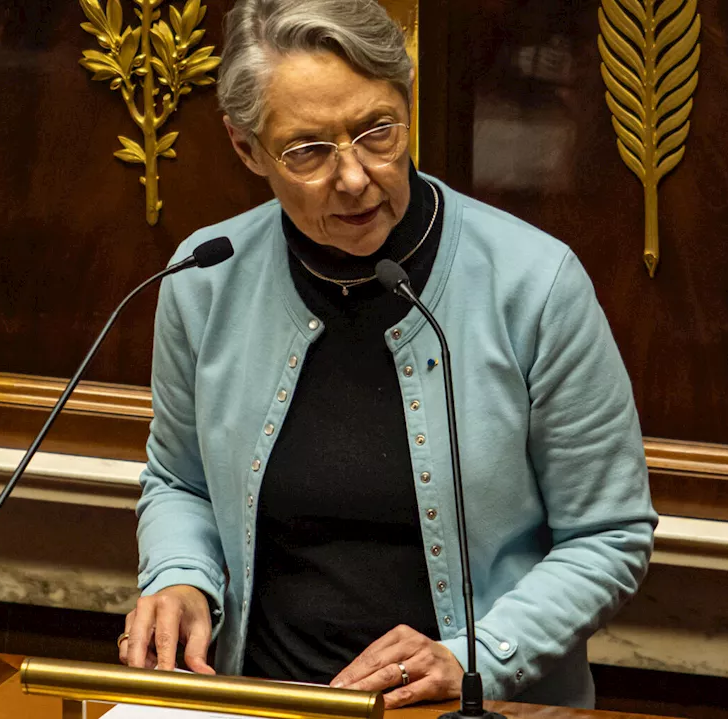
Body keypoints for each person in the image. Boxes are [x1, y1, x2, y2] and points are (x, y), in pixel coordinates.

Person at [119, 0, 657, 709]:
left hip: (469, 703)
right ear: (247, 149)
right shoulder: (205, 276)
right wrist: (181, 573)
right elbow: (180, 480)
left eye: (377, 131)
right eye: (308, 150)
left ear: (407, 105)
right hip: (263, 696)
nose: (353, 177)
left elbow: (608, 535)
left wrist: (475, 658)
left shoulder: (534, 283)